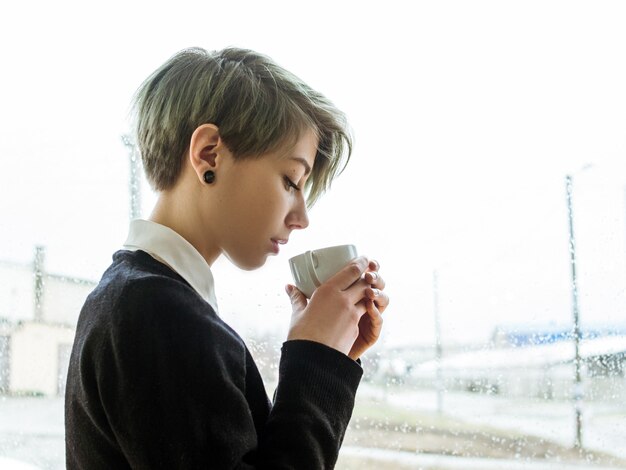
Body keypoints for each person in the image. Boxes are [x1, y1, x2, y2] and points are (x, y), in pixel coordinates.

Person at [65, 46, 389, 469]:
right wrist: (315, 359)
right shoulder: (160, 315)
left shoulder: (130, 297)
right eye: (292, 180)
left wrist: (330, 357)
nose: (302, 218)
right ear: (209, 154)